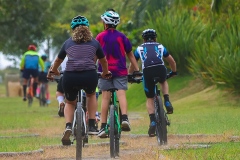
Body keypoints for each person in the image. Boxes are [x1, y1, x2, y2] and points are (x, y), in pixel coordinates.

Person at [47, 15, 111, 145]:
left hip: (70, 76)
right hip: (89, 75)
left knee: (70, 102)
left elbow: (58, 60)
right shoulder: (94, 42)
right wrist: (105, 72)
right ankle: (92, 125)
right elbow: (103, 60)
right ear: (87, 28)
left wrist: (53, 70)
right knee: (91, 94)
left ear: (73, 29)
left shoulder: (68, 42)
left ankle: (68, 126)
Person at [96, 9, 139, 138]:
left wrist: (92, 69)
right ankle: (124, 118)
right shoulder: (122, 37)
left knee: (105, 97)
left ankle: (103, 126)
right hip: (120, 71)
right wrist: (136, 70)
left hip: (104, 72)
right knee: (121, 94)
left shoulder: (100, 37)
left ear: (106, 23)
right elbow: (131, 56)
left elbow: (95, 56)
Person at [129, 29, 177, 137]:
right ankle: (167, 100)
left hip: (147, 71)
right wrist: (174, 71)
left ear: (144, 39)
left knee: (150, 98)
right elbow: (172, 61)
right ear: (155, 38)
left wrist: (130, 75)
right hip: (160, 68)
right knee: (163, 81)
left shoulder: (139, 48)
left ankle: (152, 121)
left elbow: (133, 63)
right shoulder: (160, 46)